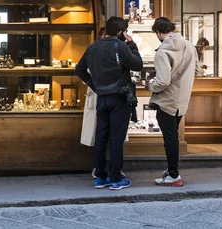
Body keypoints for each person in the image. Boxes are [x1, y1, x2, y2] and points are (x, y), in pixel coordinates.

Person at [76, 16, 142, 190]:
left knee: (101, 137)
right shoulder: (120, 46)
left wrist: (95, 85)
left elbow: (79, 69)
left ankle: (100, 177)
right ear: (121, 32)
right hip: (119, 98)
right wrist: (132, 45)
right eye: (125, 31)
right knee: (116, 139)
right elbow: (137, 64)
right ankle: (115, 178)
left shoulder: (93, 47)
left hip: (102, 97)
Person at [147, 17, 200, 187]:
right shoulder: (189, 46)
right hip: (182, 99)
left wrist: (150, 85)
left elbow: (162, 81)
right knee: (173, 137)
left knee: (169, 138)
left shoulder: (163, 52)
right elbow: (197, 70)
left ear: (158, 33)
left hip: (167, 100)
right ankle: (171, 170)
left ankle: (173, 175)